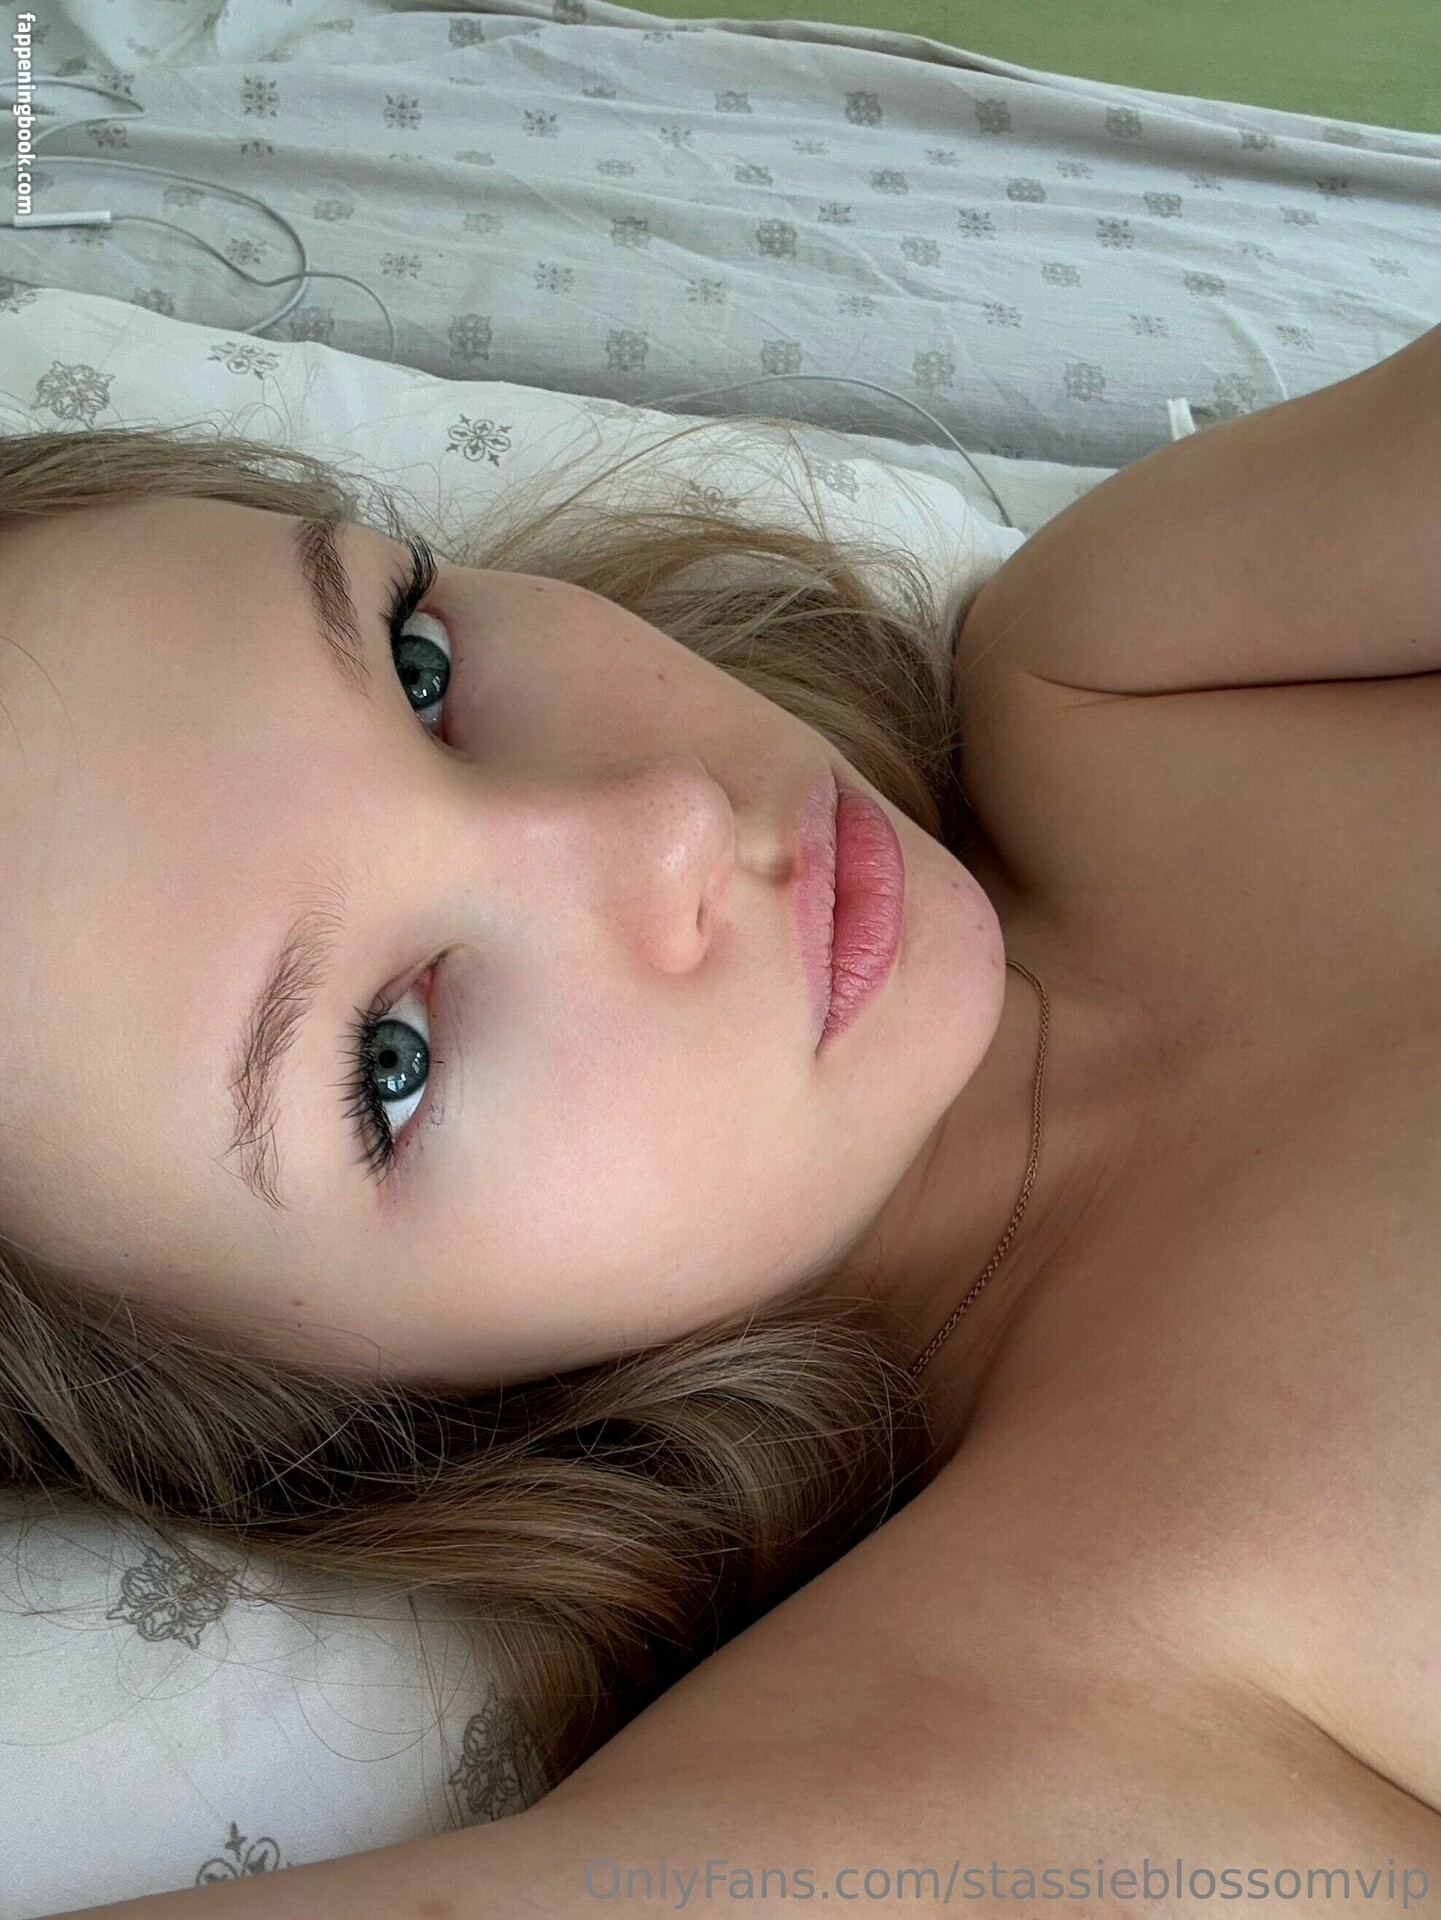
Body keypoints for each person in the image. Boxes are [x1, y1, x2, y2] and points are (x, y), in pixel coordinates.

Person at [5, 322, 1441, 1919]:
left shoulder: (1127, 659)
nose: (666, 819)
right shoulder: (1025, 1697)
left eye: (420, 669)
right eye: (388, 1059)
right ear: (307, 1417)